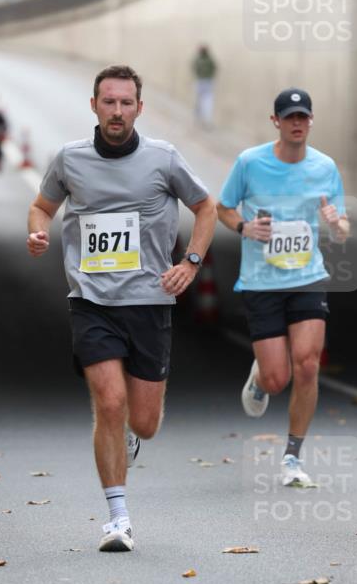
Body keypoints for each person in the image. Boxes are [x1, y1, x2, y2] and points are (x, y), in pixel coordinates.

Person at [27, 64, 217, 552]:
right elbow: (42, 207)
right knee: (109, 403)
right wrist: (38, 231)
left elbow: (206, 207)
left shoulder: (163, 159)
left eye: (125, 102)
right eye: (108, 102)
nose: (117, 111)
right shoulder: (70, 160)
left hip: (149, 304)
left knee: (144, 423)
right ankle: (118, 518)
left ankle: (130, 437)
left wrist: (191, 262)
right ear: (94, 106)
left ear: (139, 108)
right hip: (92, 301)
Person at [216, 88, 350, 487]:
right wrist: (244, 226)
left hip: (307, 277)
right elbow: (222, 207)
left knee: (308, 364)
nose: (297, 123)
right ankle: (261, 377)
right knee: (279, 379)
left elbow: (342, 229)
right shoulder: (250, 162)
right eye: (289, 117)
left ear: (311, 121)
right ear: (275, 121)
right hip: (262, 282)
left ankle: (292, 457)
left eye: (303, 117)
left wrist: (334, 220)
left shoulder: (325, 167)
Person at [191, 44, 217, 127]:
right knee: (202, 101)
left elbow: (214, 69)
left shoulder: (207, 60)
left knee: (205, 102)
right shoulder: (203, 60)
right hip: (203, 82)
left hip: (205, 82)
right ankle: (199, 118)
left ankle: (203, 119)